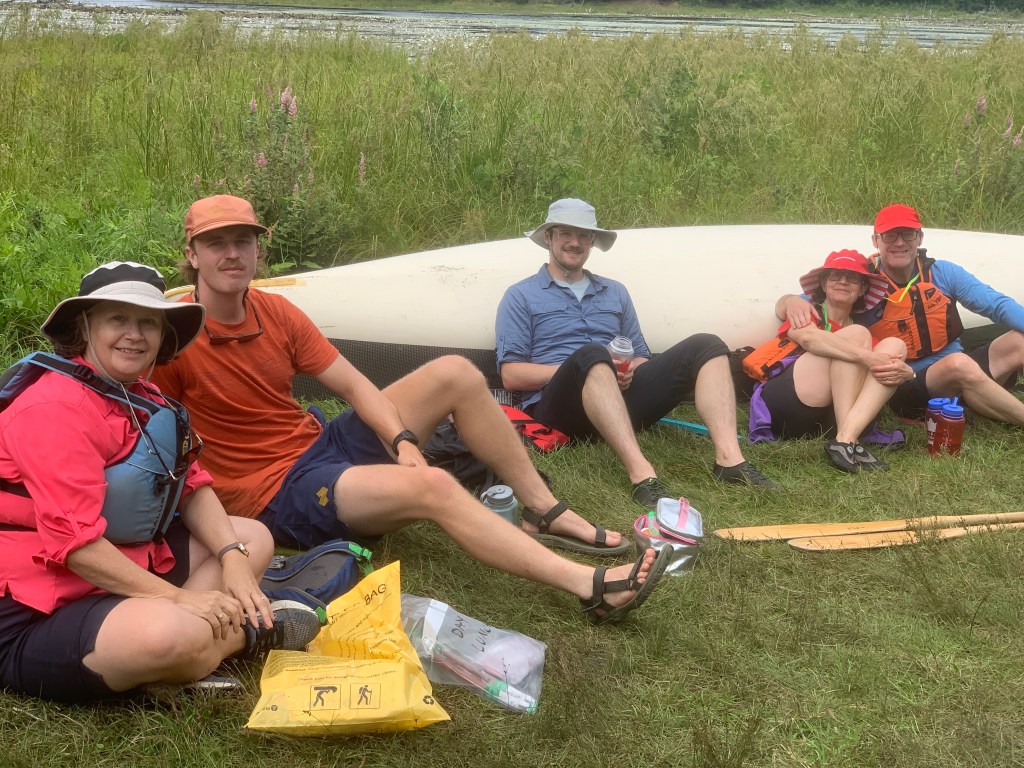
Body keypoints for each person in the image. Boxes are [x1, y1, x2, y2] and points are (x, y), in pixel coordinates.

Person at [151, 195, 670, 626]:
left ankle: (543, 506)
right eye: (216, 243)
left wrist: (401, 442)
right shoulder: (172, 338)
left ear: (257, 249)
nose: (232, 254)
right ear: (192, 254)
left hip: (319, 442)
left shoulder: (275, 311)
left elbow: (355, 385)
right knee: (435, 486)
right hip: (276, 491)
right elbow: (146, 440)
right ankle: (590, 586)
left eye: (242, 241)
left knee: (456, 372)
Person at [0, 262, 321, 703]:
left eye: (148, 322)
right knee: (166, 635)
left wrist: (232, 558)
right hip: (38, 606)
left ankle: (186, 649)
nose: (134, 334)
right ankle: (245, 634)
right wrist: (176, 599)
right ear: (85, 326)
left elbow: (193, 487)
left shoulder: (143, 397)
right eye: (118, 318)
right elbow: (76, 546)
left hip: (122, 570)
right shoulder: (54, 407)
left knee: (252, 539)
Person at [495, 198, 779, 510]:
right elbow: (511, 375)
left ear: (592, 241)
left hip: (620, 400)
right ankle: (643, 476)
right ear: (548, 237)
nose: (575, 242)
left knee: (707, 344)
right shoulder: (520, 296)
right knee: (592, 354)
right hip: (560, 414)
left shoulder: (615, 292)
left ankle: (730, 461)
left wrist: (628, 370)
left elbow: (641, 355)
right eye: (565, 233)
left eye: (584, 235)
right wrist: (590, 366)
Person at [777, 204, 1024, 423]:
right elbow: (812, 299)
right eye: (889, 235)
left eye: (908, 234)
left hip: (958, 367)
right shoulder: (862, 280)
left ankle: (976, 398)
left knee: (1018, 341)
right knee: (959, 364)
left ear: (920, 238)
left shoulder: (943, 273)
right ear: (875, 240)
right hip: (905, 381)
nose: (899, 242)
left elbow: (997, 305)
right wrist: (789, 301)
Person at [745, 250, 907, 472]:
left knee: (895, 346)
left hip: (829, 421)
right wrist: (868, 357)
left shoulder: (866, 337)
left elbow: (891, 363)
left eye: (852, 278)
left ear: (862, 288)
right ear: (823, 283)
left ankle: (846, 439)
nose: (843, 281)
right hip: (790, 404)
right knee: (857, 336)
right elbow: (808, 339)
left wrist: (907, 374)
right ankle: (848, 440)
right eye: (835, 276)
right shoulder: (805, 311)